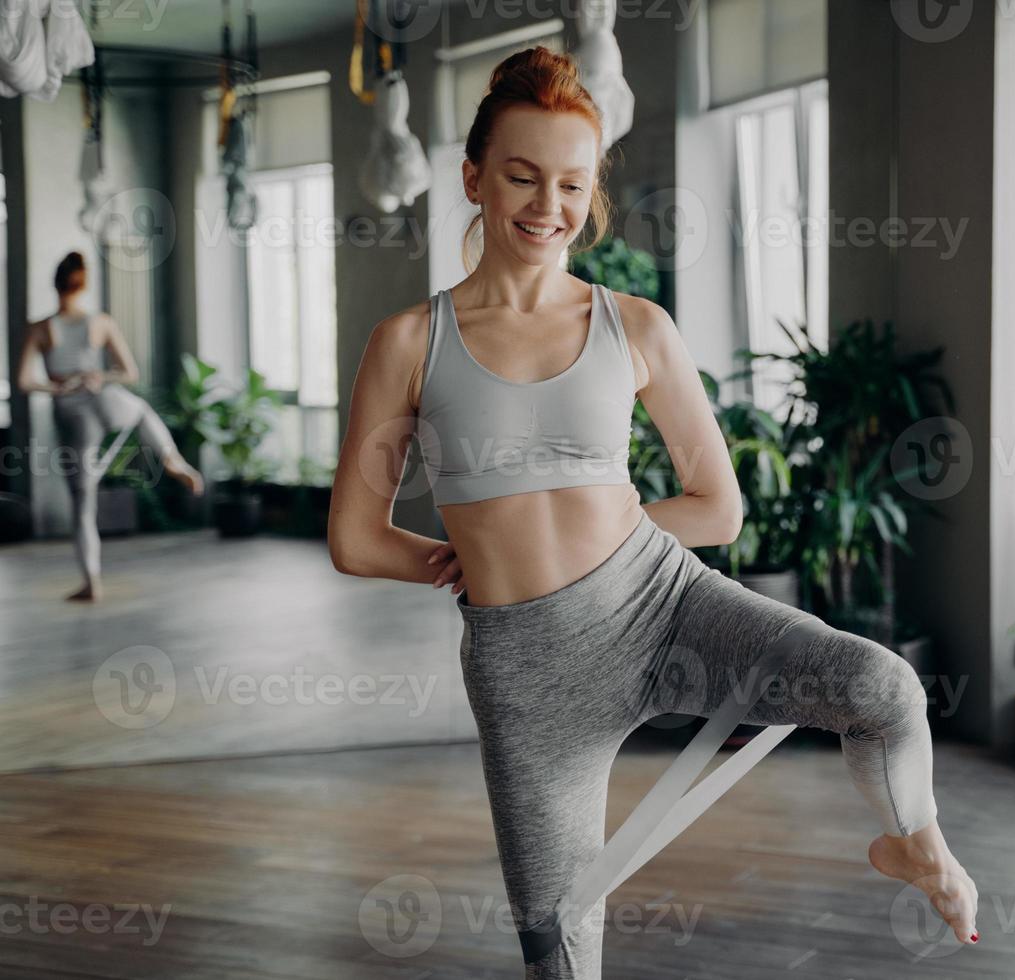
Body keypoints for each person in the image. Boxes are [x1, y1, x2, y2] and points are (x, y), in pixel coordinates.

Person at [328, 46, 979, 979]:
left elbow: (717, 507)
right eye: (520, 176)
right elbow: (356, 536)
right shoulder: (408, 343)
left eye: (570, 184)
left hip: (663, 603)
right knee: (556, 946)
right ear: (472, 177)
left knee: (884, 690)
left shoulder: (635, 326)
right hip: (525, 668)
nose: (546, 205)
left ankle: (916, 844)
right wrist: (451, 560)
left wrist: (610, 536)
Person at [16, 251, 204, 602]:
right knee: (142, 411)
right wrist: (100, 376)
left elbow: (25, 381)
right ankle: (171, 458)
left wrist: (57, 386)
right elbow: (129, 373)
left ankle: (92, 583)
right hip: (105, 400)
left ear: (55, 285)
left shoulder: (41, 328)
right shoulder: (99, 322)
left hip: (74, 414)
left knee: (83, 501)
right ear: (83, 284)